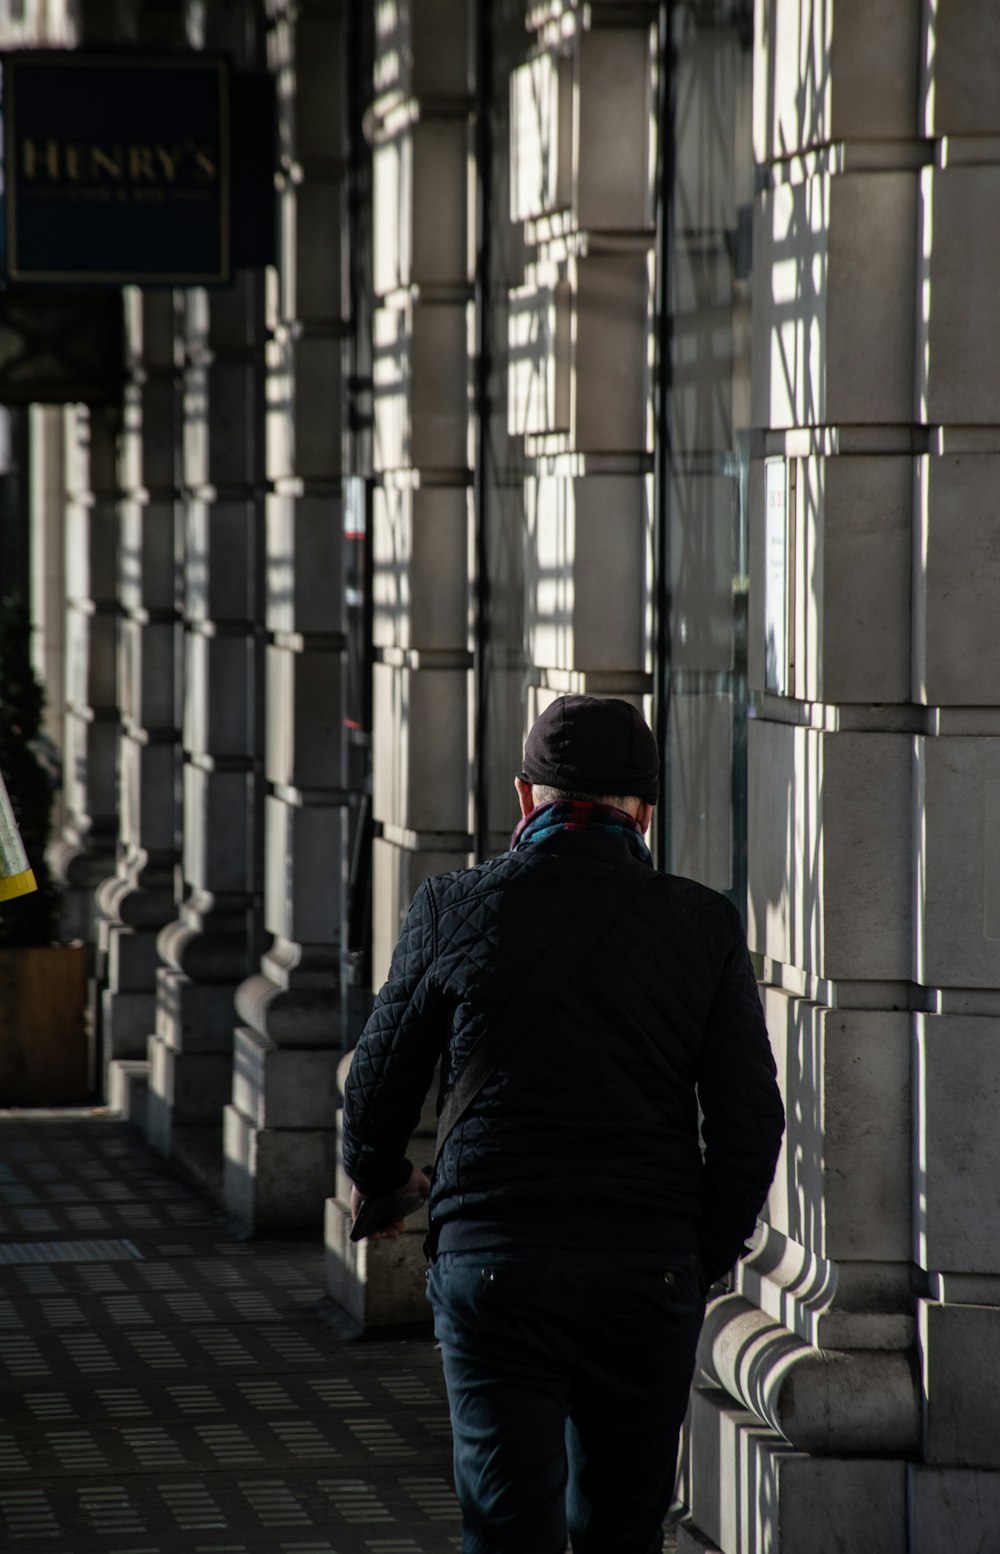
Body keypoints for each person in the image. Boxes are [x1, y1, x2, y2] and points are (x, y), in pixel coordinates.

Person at [342, 694, 785, 1554]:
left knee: (507, 1527)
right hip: (644, 1267)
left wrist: (389, 1181)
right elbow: (750, 1120)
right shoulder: (702, 923)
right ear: (646, 812)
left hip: (492, 1260)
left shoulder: (450, 907)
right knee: (623, 1530)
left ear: (524, 798)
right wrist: (699, 1253)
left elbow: (373, 1093)